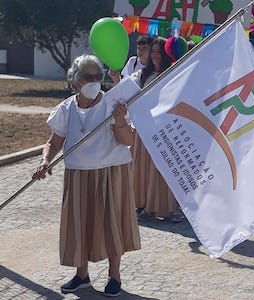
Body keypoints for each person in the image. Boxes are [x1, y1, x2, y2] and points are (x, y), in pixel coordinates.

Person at [32, 54, 140, 297]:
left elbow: (128, 141)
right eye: (87, 77)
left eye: (97, 76)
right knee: (79, 225)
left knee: (112, 225)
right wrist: (45, 159)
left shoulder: (113, 104)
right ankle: (82, 276)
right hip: (78, 174)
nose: (93, 81)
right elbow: (54, 141)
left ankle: (115, 277)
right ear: (75, 80)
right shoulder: (66, 108)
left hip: (111, 172)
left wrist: (121, 121)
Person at [130, 37, 183, 223]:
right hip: (144, 128)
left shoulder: (173, 74)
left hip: (164, 130)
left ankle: (167, 208)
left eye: (158, 51)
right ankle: (144, 206)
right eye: (152, 51)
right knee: (143, 168)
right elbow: (128, 91)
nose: (154, 55)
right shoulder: (143, 75)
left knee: (162, 169)